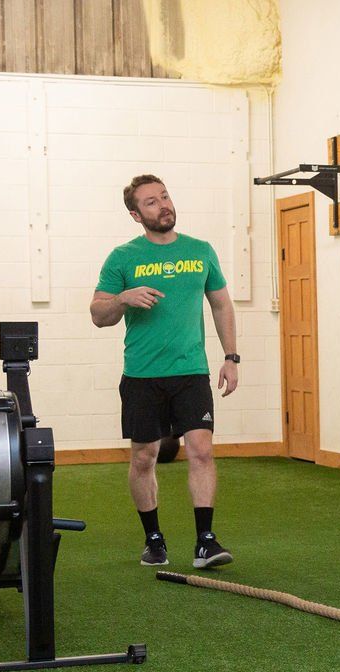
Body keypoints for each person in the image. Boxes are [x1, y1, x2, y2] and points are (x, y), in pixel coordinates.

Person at [91, 174, 240, 569]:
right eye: (151, 202)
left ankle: (205, 541)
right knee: (144, 457)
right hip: (142, 375)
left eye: (165, 196)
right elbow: (98, 315)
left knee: (202, 450)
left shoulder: (201, 250)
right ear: (135, 214)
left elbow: (222, 305)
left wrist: (231, 356)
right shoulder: (123, 258)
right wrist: (123, 298)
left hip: (191, 371)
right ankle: (153, 539)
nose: (163, 205)